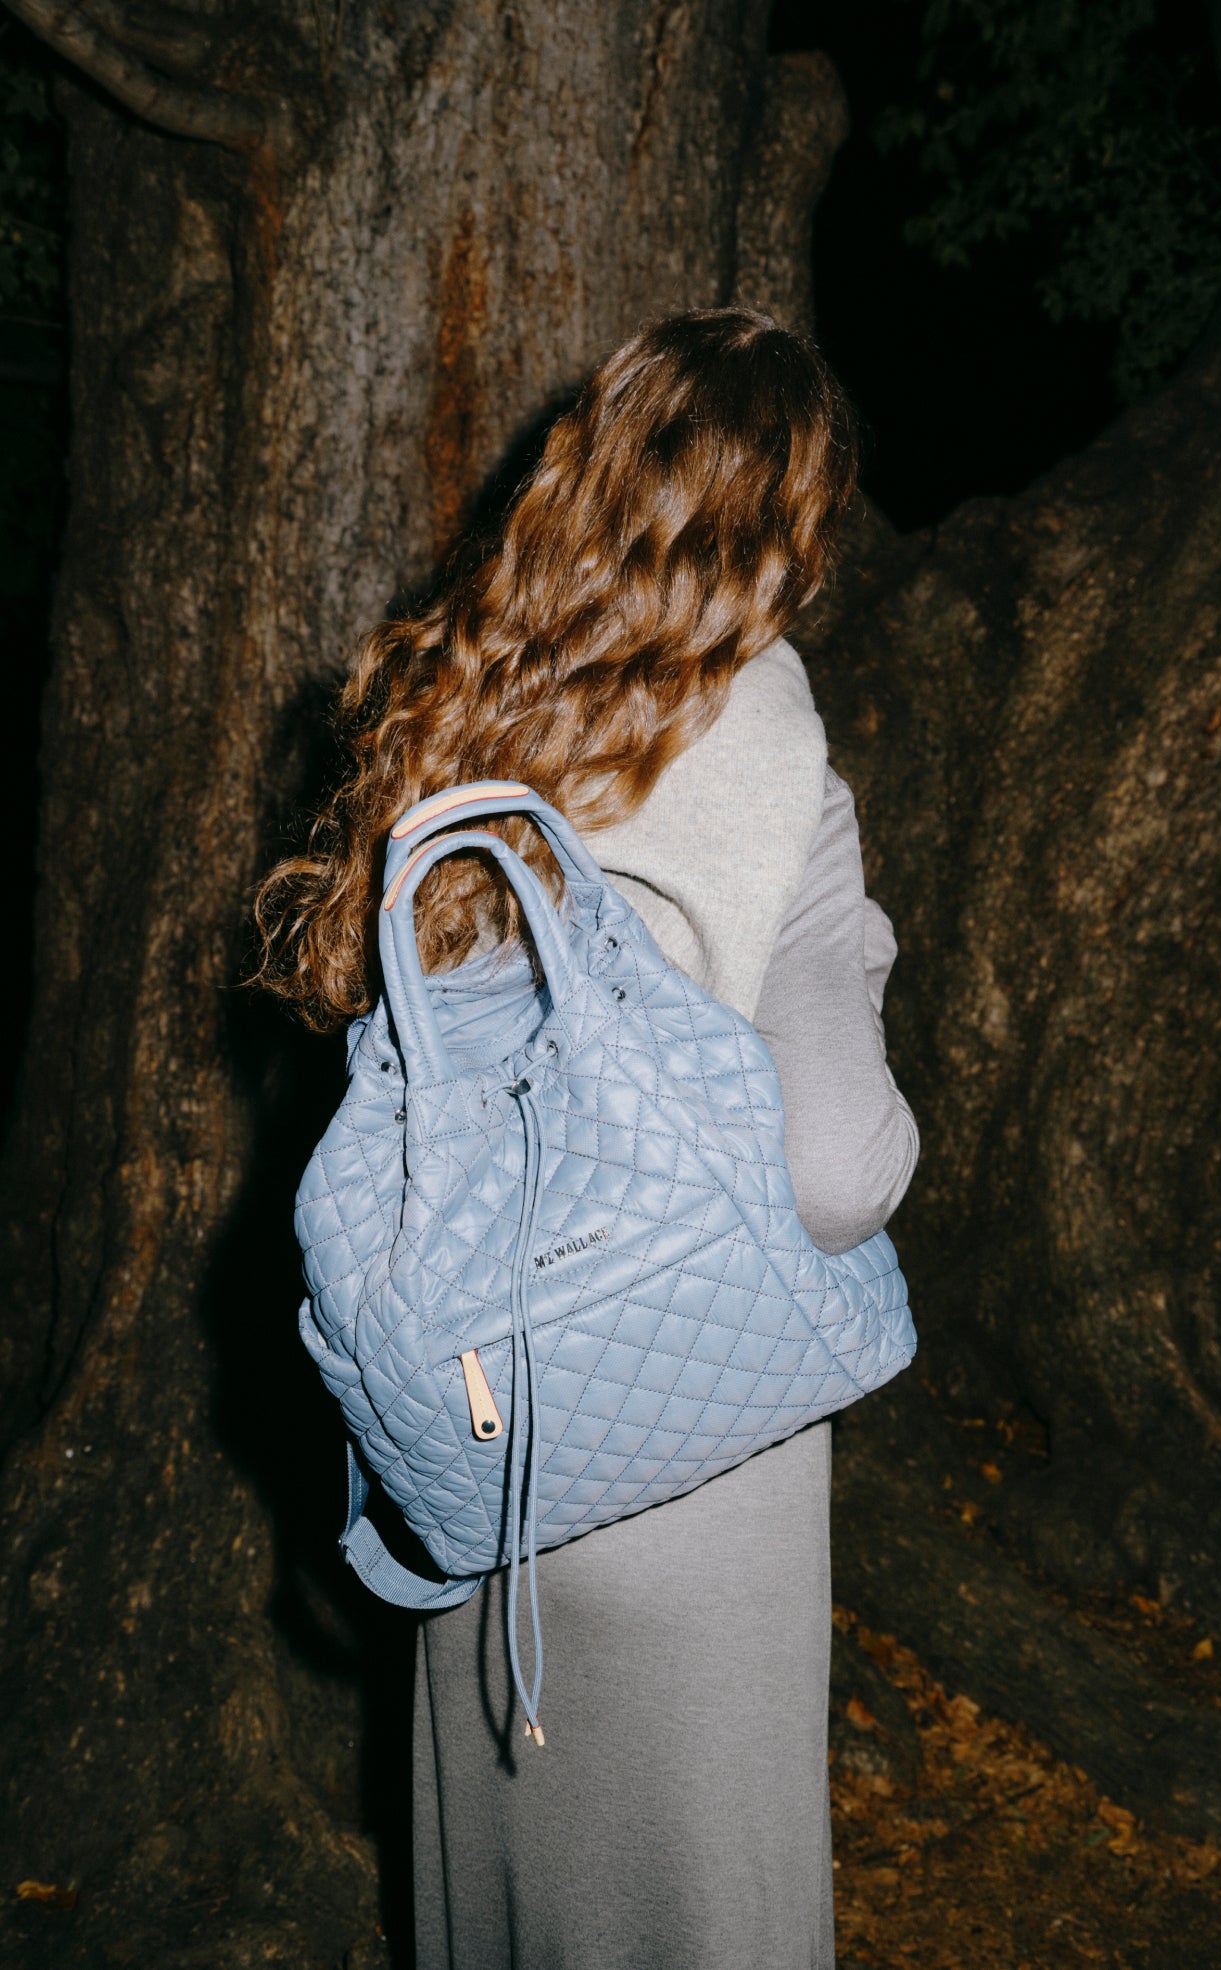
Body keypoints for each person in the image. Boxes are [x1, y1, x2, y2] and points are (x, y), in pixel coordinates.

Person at [256, 309, 919, 1970]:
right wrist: (857, 953)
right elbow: (839, 1171)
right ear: (796, 524)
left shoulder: (471, 708)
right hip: (682, 1465)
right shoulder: (768, 743)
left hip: (481, 1449)